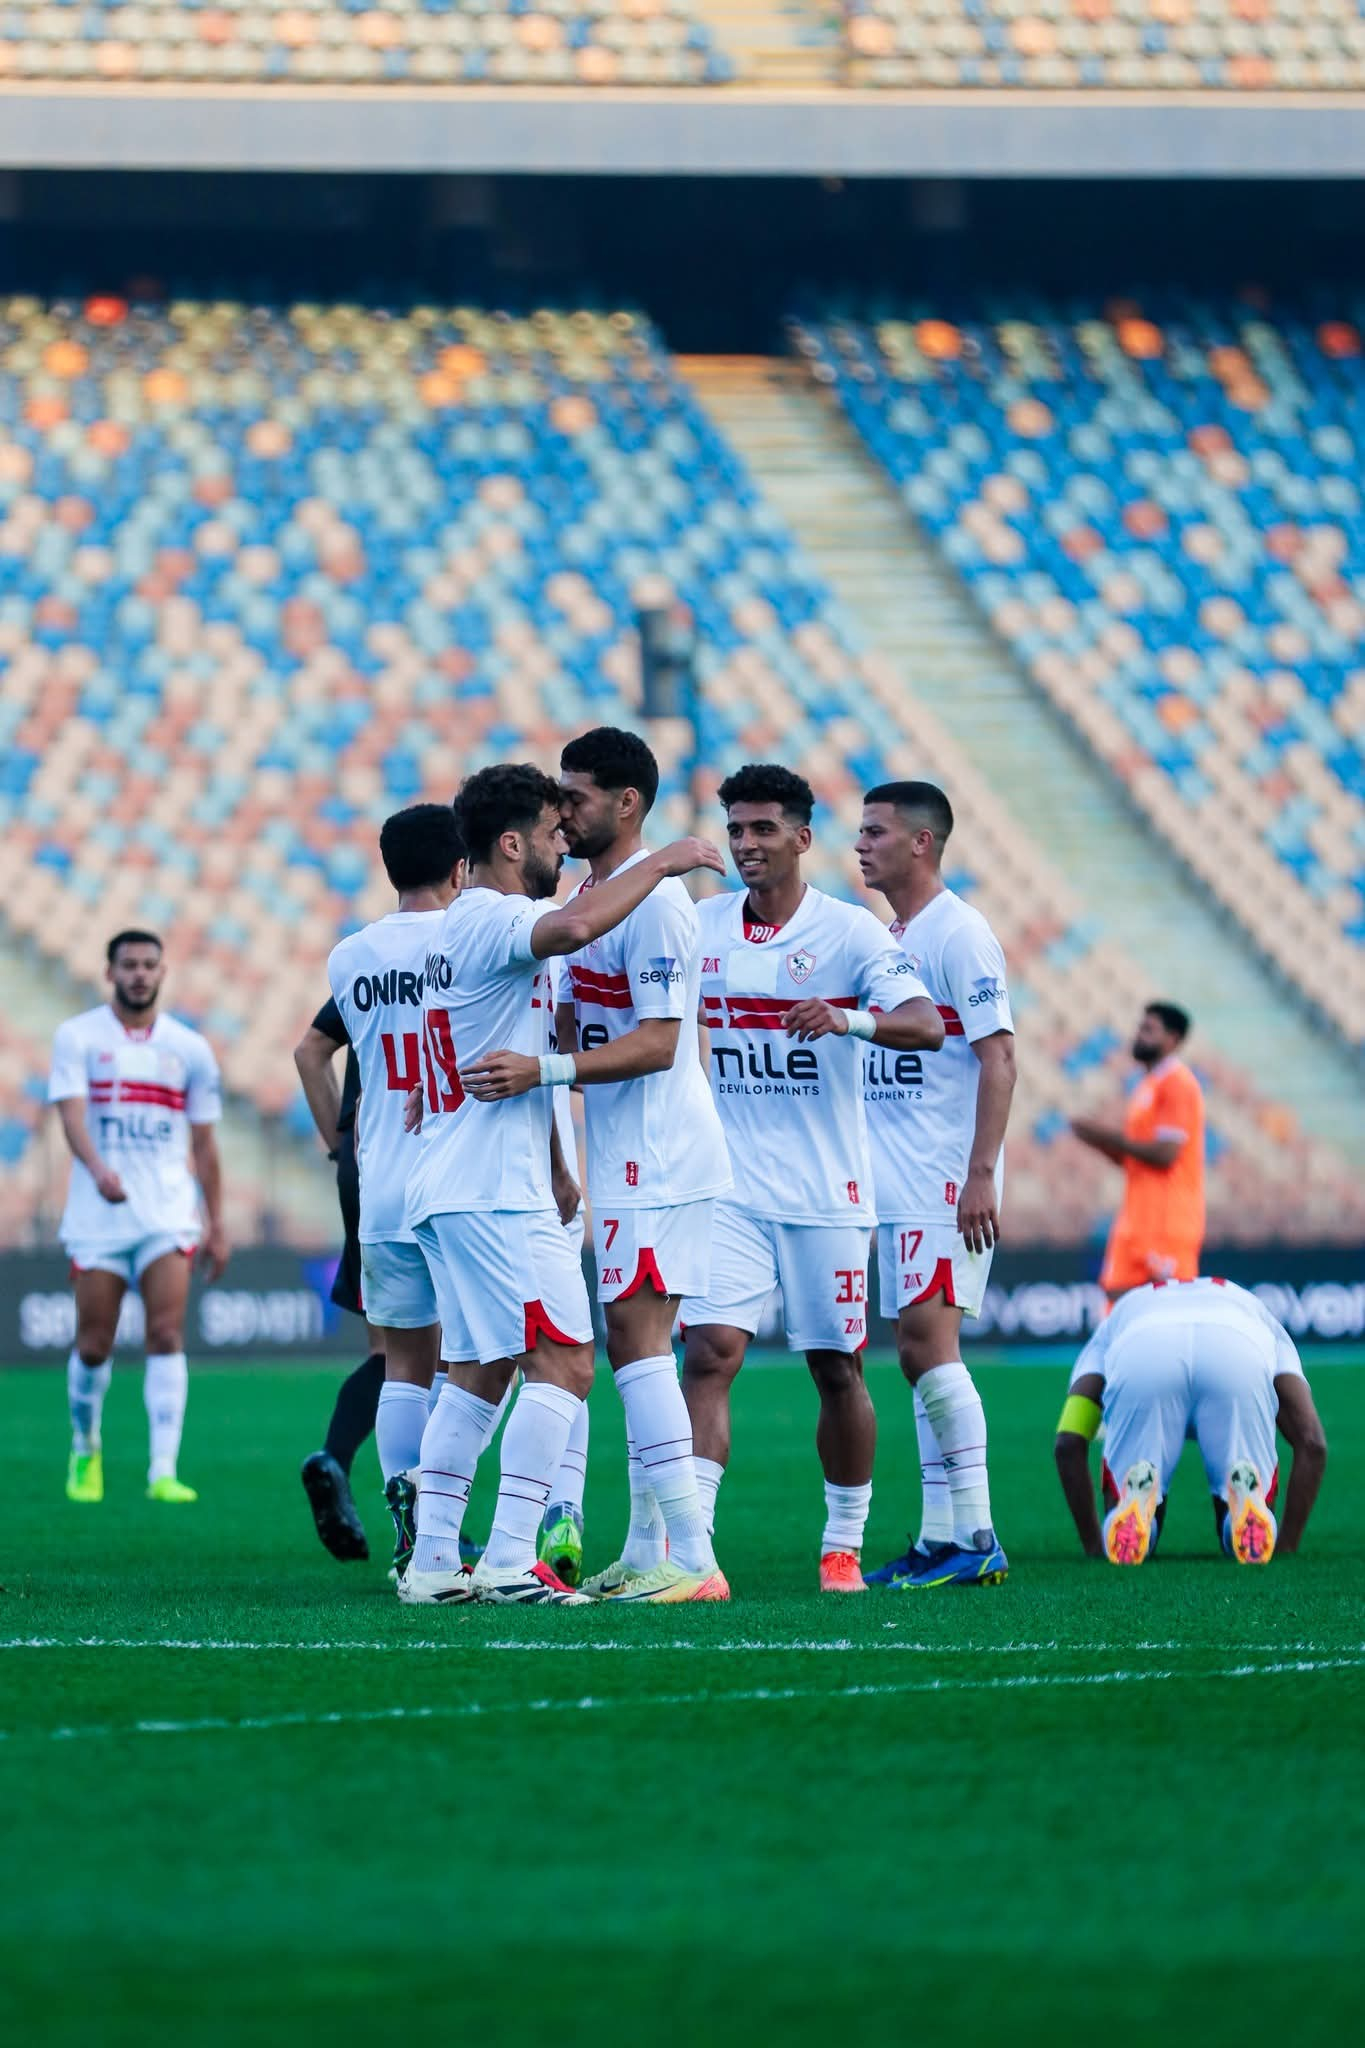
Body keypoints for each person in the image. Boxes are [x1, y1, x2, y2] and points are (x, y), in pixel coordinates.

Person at [399, 762, 725, 1606]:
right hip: (490, 1190)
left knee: (478, 1368)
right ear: (511, 845)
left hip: (460, 1179)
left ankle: (434, 1563)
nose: (561, 843)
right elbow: (571, 930)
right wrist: (661, 862)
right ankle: (510, 1561)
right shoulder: (494, 917)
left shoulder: (462, 926)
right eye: (549, 832)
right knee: (569, 1363)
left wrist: (553, 1157)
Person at [678, 764, 944, 1592]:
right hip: (727, 1187)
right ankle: (693, 1551)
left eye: (763, 830)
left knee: (836, 1368)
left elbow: (927, 1027)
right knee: (709, 1355)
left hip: (826, 1192)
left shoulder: (851, 933)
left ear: (800, 838)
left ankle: (841, 1546)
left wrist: (848, 1017)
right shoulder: (702, 925)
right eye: (735, 831)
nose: (746, 845)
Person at [854, 781, 1015, 1590]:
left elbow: (998, 1056)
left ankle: (977, 1534)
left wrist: (979, 1172)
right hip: (899, 1180)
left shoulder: (959, 934)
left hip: (943, 1178)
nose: (859, 844)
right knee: (917, 1356)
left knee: (927, 1346)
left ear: (921, 842)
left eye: (875, 831)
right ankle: (937, 1539)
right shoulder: (892, 936)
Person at [323, 803, 466, 1578]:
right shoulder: (468, 937)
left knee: (404, 1367)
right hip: (460, 1177)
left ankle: (415, 1537)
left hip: (382, 1181)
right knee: (494, 1362)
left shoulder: (349, 957)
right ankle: (463, 1529)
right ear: (460, 868)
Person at [48, 929, 228, 1505]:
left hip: (167, 1215)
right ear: (110, 973)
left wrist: (216, 1222)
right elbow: (72, 1117)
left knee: (167, 1332)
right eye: (129, 965)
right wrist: (99, 1170)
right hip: (98, 1216)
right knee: (95, 1343)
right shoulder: (78, 1037)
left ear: (162, 972)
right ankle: (85, 1447)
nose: (140, 974)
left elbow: (204, 1145)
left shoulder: (189, 1049)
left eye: (150, 965)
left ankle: (163, 1469)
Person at [1054, 1276, 1327, 1566]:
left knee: (1125, 1510)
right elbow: (1312, 1443)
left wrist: (1095, 1545)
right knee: (1246, 1513)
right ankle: (1242, 1512)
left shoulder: (1120, 1315)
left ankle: (1131, 1510)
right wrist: (1285, 1546)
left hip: (1144, 1349)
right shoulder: (1256, 1311)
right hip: (1236, 1349)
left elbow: (1068, 1442)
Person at [294, 1002, 386, 1562]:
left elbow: (309, 1052)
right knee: (449, 1360)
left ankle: (335, 1457)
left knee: (391, 1350)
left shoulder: (365, 959)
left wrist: (339, 1148)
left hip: (363, 1157)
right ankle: (432, 1529)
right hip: (432, 1155)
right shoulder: (462, 946)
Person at [1071, 1002, 1205, 1302]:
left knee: (1167, 1312)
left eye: (1149, 1030)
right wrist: (1097, 1141)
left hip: (1168, 1220)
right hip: (1137, 1218)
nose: (1139, 1035)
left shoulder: (1178, 1083)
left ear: (1173, 1039)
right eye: (1140, 1028)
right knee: (1117, 1300)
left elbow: (1166, 1154)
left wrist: (1108, 1136)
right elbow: (1136, 1159)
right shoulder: (1149, 1085)